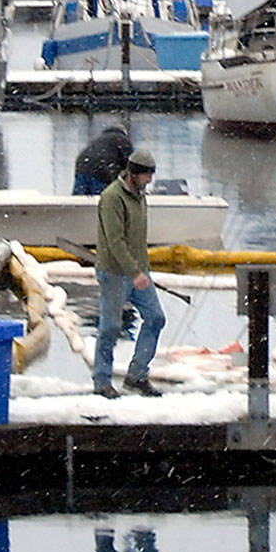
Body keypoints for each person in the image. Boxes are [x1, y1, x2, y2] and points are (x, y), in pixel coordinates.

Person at [93, 148, 166, 398]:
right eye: (147, 175)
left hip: (139, 270)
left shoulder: (140, 195)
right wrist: (134, 272)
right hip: (114, 272)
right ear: (133, 173)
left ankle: (137, 375)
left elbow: (136, 238)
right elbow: (115, 241)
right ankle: (102, 381)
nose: (150, 180)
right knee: (110, 327)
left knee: (156, 318)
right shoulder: (112, 197)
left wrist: (142, 269)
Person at [73, 125, 133, 195]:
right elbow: (131, 164)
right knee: (104, 198)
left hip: (82, 167)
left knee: (78, 199)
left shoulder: (98, 139)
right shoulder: (123, 140)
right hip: (101, 171)